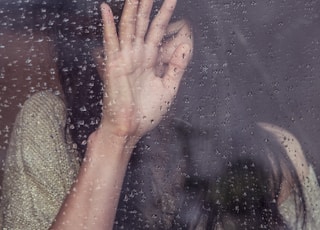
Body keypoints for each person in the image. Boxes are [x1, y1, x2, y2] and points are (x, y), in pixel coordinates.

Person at [1, 0, 319, 230]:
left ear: (202, 37)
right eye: (115, 48)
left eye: (164, 39)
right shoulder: (49, 126)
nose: (141, 66)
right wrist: (117, 135)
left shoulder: (270, 154)